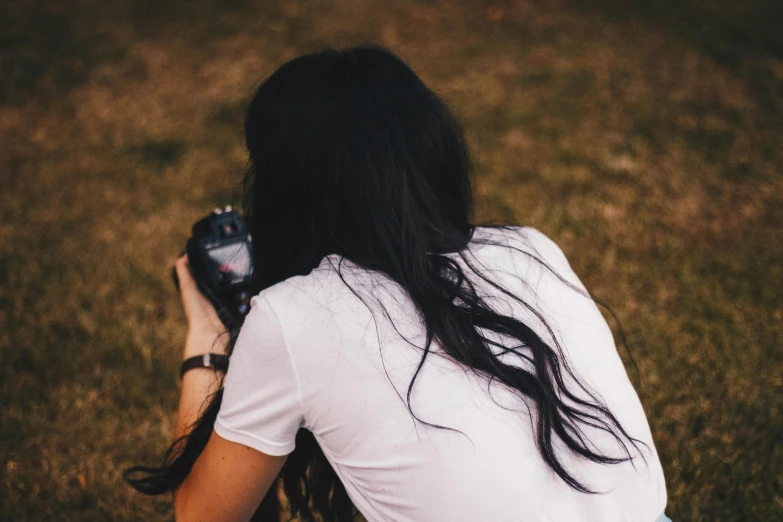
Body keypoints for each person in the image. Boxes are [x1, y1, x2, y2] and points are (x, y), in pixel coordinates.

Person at [126, 45, 670, 522]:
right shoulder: (530, 248)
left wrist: (204, 335)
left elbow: (203, 516)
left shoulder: (292, 317)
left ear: (284, 192)